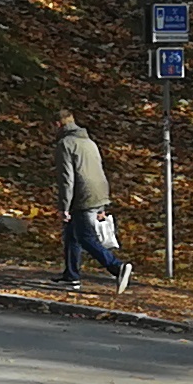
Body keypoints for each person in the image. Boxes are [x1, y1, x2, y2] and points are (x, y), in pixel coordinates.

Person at [55, 111, 133, 290]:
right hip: (98, 192)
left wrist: (64, 206)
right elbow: (98, 170)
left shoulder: (65, 144)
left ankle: (117, 267)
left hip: (82, 196)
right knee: (71, 235)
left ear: (58, 125)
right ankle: (71, 275)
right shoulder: (89, 143)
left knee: (85, 237)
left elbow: (67, 178)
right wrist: (102, 203)